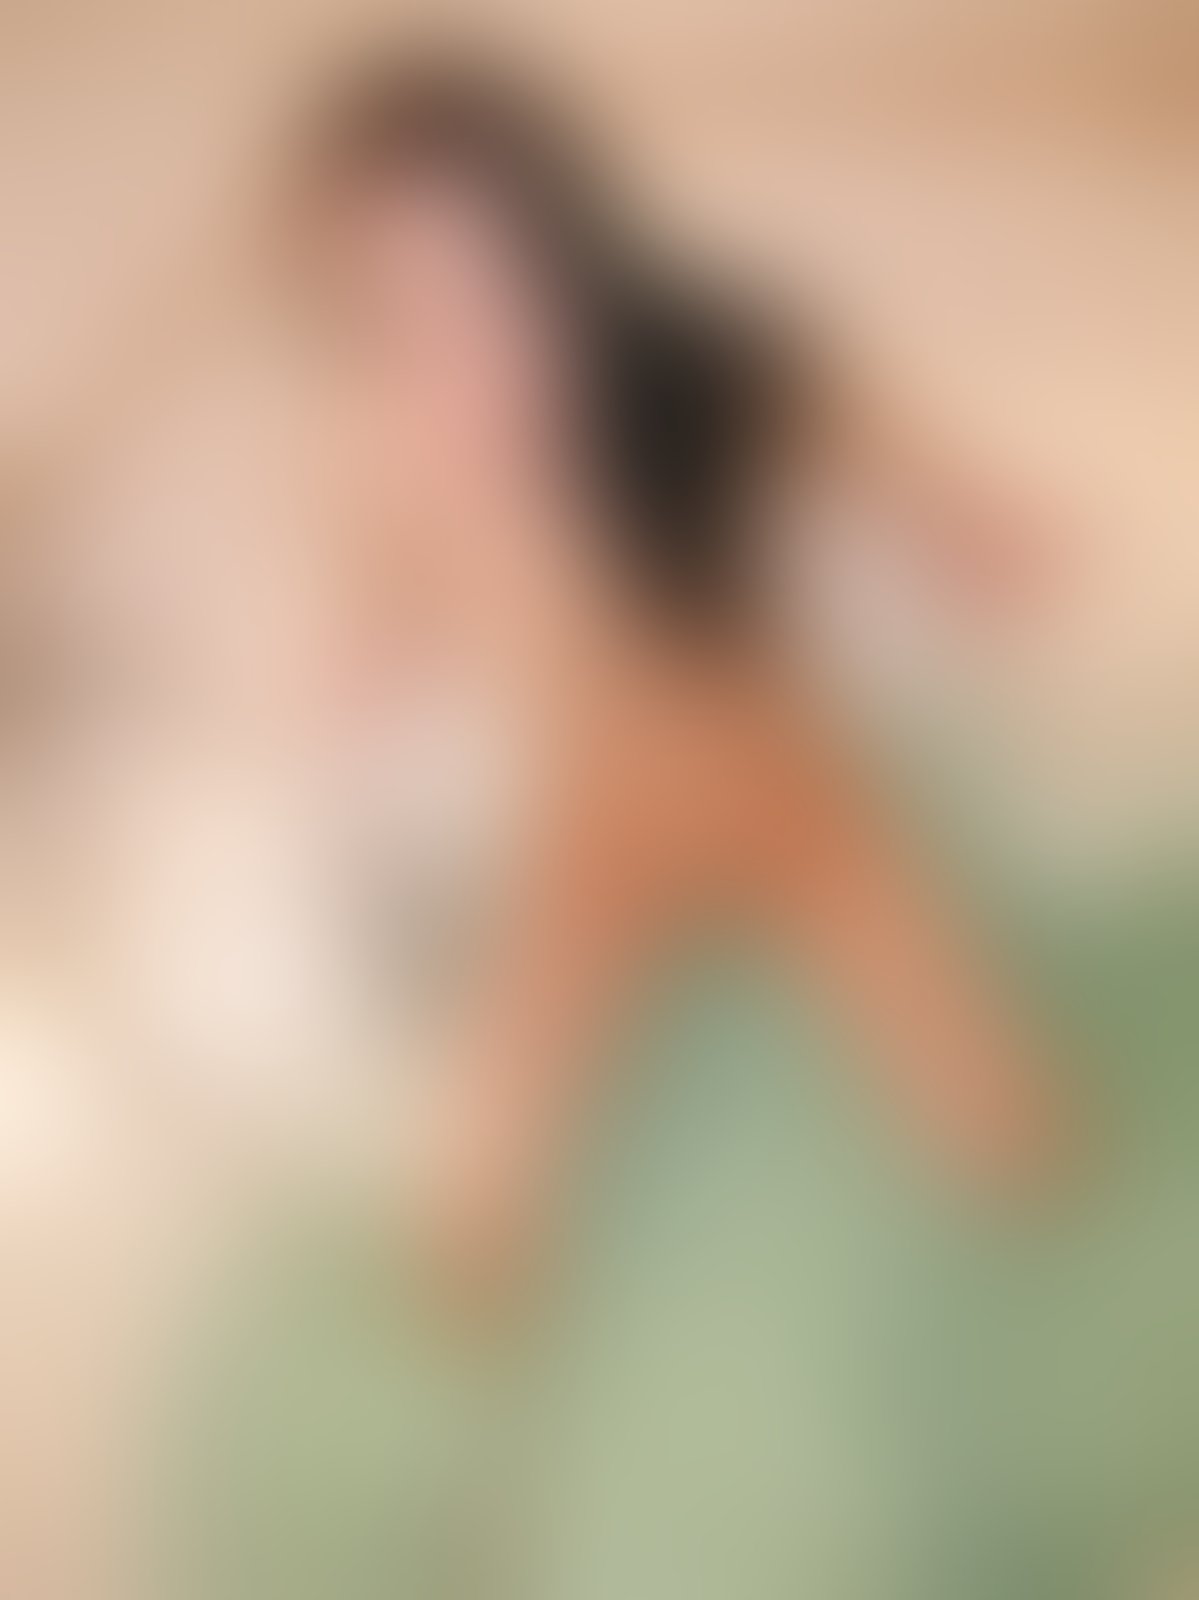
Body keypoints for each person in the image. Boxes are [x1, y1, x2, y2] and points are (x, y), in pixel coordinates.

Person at [288, 58, 1062, 1296]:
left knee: (988, 1104)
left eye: (475, 266)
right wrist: (347, 728)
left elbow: (866, 444)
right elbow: (370, 630)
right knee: (472, 1193)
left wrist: (969, 527)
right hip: (586, 830)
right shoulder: (386, 457)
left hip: (775, 783)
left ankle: (1037, 1228)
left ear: (543, 234)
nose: (452, 324)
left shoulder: (685, 351)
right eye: (398, 286)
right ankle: (465, 1353)